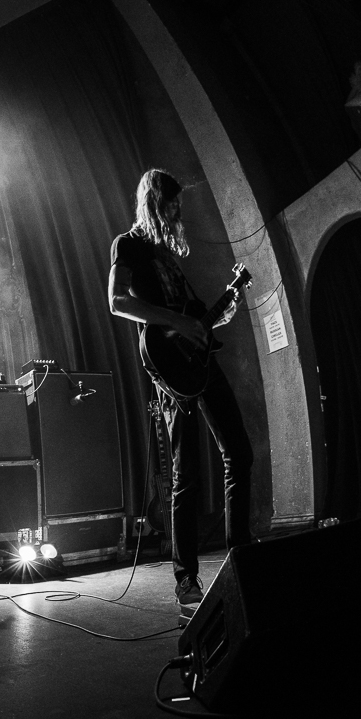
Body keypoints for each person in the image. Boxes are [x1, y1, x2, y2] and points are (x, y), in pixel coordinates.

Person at [108, 169, 254, 605]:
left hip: (201, 362)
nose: (177, 213)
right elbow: (117, 301)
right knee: (185, 473)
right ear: (155, 201)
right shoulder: (127, 244)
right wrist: (178, 322)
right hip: (169, 368)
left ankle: (240, 554)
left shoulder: (168, 256)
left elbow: (199, 319)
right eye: (171, 205)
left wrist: (228, 304)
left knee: (239, 453)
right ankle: (186, 577)